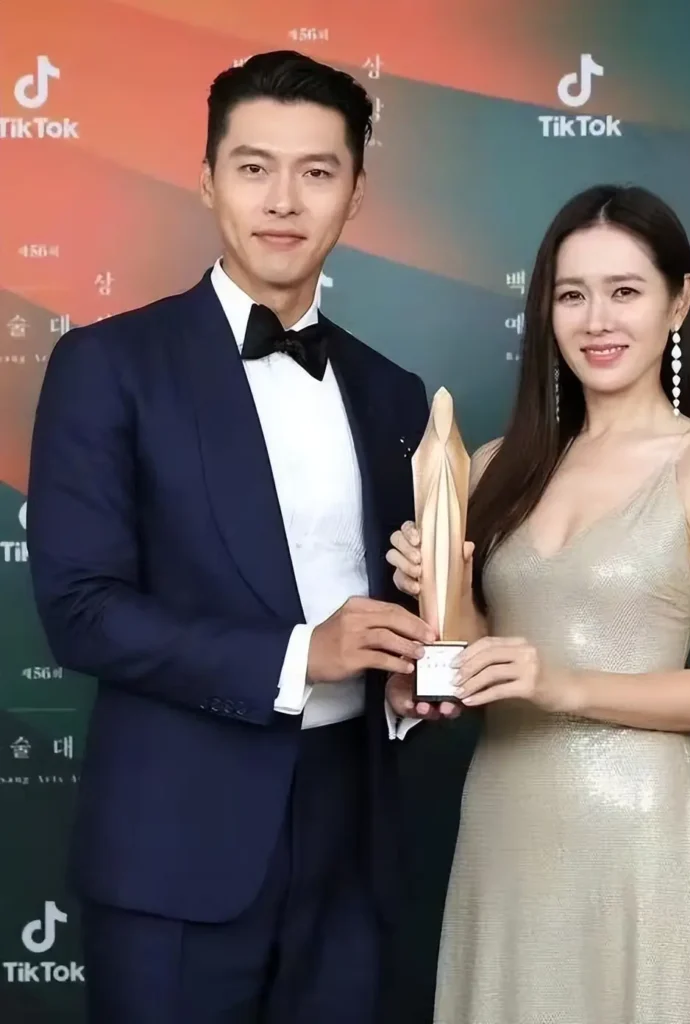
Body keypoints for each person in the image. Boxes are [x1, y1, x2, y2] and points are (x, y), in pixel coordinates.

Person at [27, 50, 455, 1024]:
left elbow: (399, 609)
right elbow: (82, 611)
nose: (283, 201)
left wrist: (403, 684)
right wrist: (304, 654)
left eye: (317, 171)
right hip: (175, 852)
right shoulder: (108, 364)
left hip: (353, 849)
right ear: (208, 179)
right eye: (254, 167)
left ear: (355, 193)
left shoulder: (393, 392)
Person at [386, 184, 690, 1023]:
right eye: (572, 295)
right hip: (503, 825)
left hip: (639, 837)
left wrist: (561, 684)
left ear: (679, 301)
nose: (597, 320)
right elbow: (475, 665)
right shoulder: (496, 464)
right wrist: (440, 595)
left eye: (624, 291)